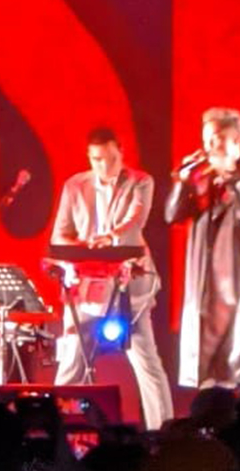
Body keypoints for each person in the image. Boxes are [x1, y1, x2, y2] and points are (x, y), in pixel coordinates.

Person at [47, 126, 175, 431]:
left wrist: (110, 238)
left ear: (121, 153)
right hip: (87, 287)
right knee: (72, 362)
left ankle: (164, 432)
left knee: (146, 361)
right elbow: (59, 235)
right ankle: (56, 430)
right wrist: (82, 248)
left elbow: (135, 220)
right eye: (96, 160)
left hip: (128, 286)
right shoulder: (74, 186)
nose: (104, 166)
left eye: (110, 159)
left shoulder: (140, 181)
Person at [167, 107, 240, 390]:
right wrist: (182, 183)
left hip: (238, 283)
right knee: (202, 369)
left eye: (217, 139)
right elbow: (172, 216)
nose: (210, 146)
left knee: (234, 367)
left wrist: (232, 177)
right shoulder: (201, 180)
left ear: (236, 141)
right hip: (205, 287)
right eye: (206, 139)